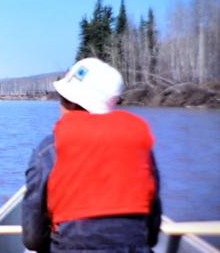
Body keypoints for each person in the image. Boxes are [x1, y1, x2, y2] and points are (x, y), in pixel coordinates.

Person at [22, 58, 162, 253]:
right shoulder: (139, 144)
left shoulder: (48, 149)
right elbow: (152, 233)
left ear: (71, 104)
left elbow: (32, 239)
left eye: (62, 99)